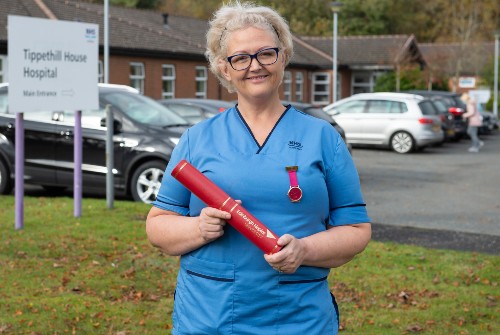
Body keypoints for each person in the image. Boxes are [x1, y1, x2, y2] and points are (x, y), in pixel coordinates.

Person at [146, 2, 371, 334]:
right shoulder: (197, 139)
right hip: (209, 319)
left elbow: (356, 230)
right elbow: (158, 227)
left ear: (283, 56)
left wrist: (305, 249)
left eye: (267, 53)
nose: (256, 66)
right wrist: (198, 229)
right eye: (241, 58)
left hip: (299, 319)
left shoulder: (323, 138)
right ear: (224, 68)